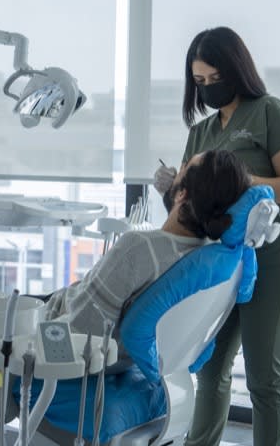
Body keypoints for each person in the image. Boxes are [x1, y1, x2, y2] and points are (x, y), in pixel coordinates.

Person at [149, 27, 280, 446]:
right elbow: (189, 207)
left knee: (264, 375)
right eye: (198, 80)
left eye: (215, 76)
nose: (207, 87)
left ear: (235, 70)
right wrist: (173, 186)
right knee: (212, 365)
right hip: (221, 261)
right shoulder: (199, 132)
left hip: (274, 256)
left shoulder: (268, 112)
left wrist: (236, 178)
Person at [41, 149, 252, 358]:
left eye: (183, 168)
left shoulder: (136, 248)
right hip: (120, 356)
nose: (176, 171)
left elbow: (81, 331)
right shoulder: (204, 254)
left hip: (56, 326)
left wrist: (27, 336)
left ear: (181, 194)